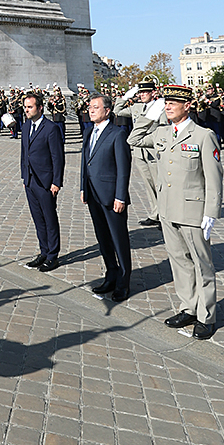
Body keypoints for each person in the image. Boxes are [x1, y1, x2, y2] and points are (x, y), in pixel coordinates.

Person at [129, 83, 223, 339]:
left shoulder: (203, 136)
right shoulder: (162, 133)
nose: (167, 106)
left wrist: (211, 213)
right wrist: (150, 114)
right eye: (165, 103)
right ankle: (188, 307)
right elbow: (134, 139)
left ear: (187, 106)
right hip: (168, 211)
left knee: (202, 265)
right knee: (179, 263)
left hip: (193, 212)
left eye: (172, 103)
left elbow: (214, 178)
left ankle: (206, 315)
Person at [80, 92, 132, 301]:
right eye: (90, 107)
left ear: (107, 111)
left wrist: (120, 197)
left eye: (95, 107)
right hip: (93, 194)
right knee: (103, 239)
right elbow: (86, 162)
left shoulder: (117, 134)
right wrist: (83, 187)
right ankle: (111, 274)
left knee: (118, 240)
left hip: (112, 196)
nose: (91, 110)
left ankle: (123, 282)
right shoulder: (88, 132)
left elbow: (123, 168)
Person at [20, 91, 64, 271]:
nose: (26, 110)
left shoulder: (51, 128)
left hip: (46, 182)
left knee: (49, 219)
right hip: (30, 180)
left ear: (40, 108)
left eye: (30, 107)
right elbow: (24, 153)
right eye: (25, 107)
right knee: (38, 219)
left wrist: (56, 182)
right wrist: (24, 176)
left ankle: (53, 256)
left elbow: (58, 157)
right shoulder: (25, 126)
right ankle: (44, 251)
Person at [113, 78, 163, 228]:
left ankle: (164, 216)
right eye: (140, 92)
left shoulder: (160, 107)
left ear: (153, 92)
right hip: (140, 152)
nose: (141, 95)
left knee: (159, 184)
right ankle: (155, 213)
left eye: (144, 92)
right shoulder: (136, 107)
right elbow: (117, 111)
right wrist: (126, 97)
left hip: (154, 150)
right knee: (148, 185)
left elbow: (163, 128)